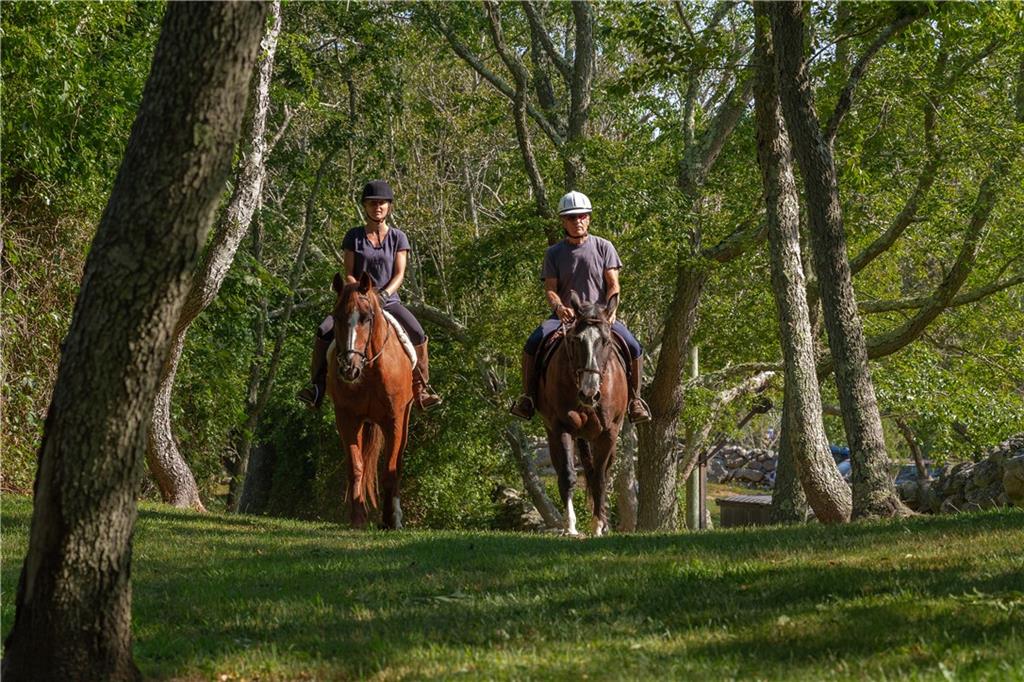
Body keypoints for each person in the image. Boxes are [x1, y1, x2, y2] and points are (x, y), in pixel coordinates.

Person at [297, 180, 442, 410]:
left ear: (389, 206)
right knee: (324, 330)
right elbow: (349, 274)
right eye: (373, 203)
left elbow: (400, 274)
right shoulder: (354, 236)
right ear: (365, 206)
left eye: (382, 203)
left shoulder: (398, 237)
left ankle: (421, 388)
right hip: (358, 302)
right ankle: (316, 387)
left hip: (388, 300)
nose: (378, 207)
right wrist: (360, 295)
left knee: (417, 332)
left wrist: (382, 295)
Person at [510, 191, 651, 424]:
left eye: (582, 216)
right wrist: (558, 307)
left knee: (634, 346)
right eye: (571, 217)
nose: (577, 221)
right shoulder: (553, 253)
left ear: (589, 218)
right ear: (563, 222)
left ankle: (635, 400)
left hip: (599, 317)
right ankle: (528, 398)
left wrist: (611, 310)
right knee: (533, 343)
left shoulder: (604, 247)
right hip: (567, 317)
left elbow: (613, 283)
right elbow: (550, 288)